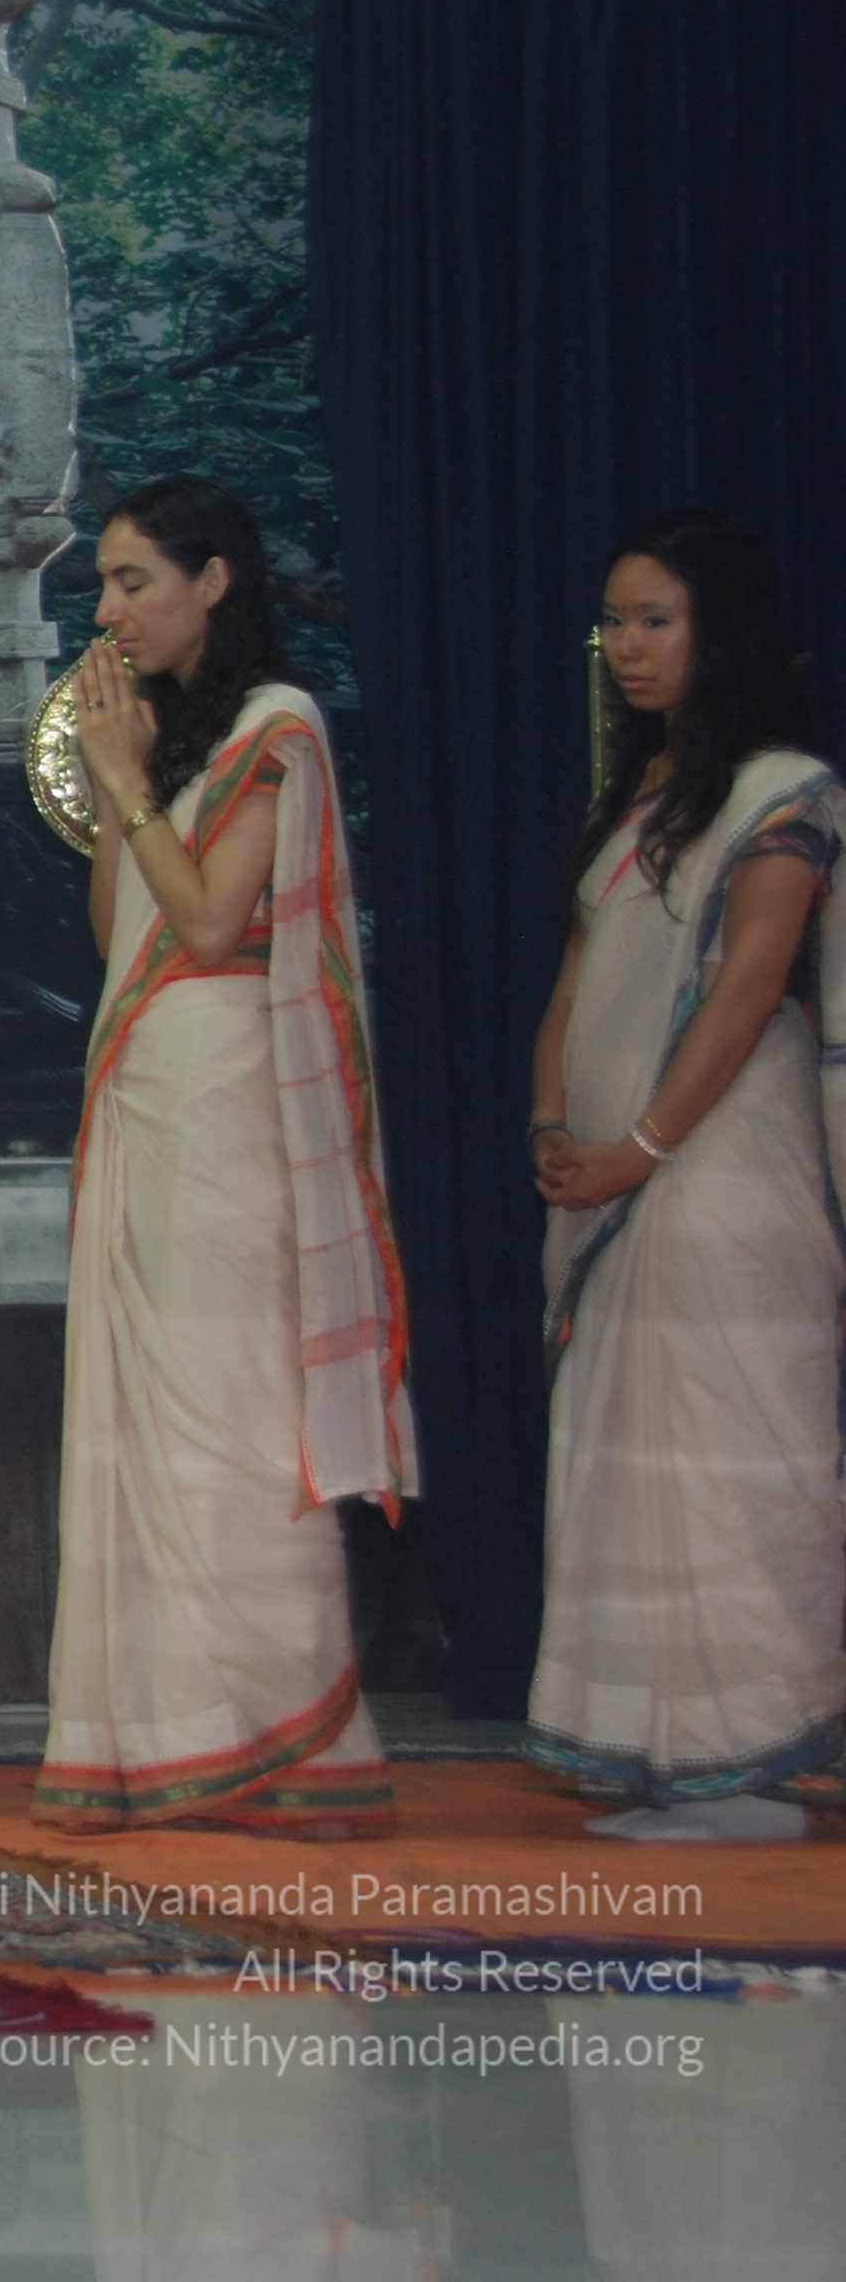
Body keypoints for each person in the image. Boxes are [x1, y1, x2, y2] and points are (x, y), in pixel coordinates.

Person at [37, 476, 415, 1838]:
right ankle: (170, 1737)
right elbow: (120, 933)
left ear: (214, 581)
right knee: (147, 1417)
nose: (108, 609)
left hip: (225, 1102)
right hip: (147, 1092)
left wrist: (127, 784)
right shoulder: (176, 743)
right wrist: (118, 785)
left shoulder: (277, 726)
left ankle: (286, 1734)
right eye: (102, 583)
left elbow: (205, 927)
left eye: (133, 580)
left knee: (232, 1411)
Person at [525, 510, 843, 1842]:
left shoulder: (783, 793)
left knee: (725, 1455)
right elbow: (576, 979)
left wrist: (639, 1151)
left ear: (724, 629)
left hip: (722, 1176)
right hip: (608, 1174)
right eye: (613, 621)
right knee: (630, 1461)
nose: (627, 645)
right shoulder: (643, 793)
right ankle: (661, 1752)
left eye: (655, 619)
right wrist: (553, 1126)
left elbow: (748, 986)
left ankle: (748, 1758)